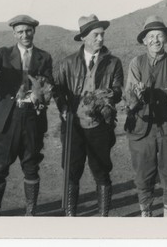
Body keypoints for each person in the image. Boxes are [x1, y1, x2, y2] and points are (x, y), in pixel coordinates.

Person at [0, 15, 53, 216]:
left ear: (34, 31)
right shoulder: (4, 54)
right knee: (0, 166)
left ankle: (30, 212)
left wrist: (42, 94)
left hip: (32, 118)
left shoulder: (44, 57)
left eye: (28, 31)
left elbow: (49, 85)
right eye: (20, 32)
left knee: (31, 165)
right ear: (14, 34)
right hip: (7, 119)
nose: (25, 35)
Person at [54, 14, 123, 217]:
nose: (101, 39)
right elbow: (58, 90)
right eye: (96, 35)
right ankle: (70, 216)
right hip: (73, 126)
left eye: (102, 34)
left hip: (100, 126)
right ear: (83, 37)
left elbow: (118, 90)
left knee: (101, 171)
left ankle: (103, 217)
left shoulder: (114, 63)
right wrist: (64, 108)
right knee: (72, 172)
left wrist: (106, 96)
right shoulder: (66, 63)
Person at [124, 15, 167, 217]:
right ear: (144, 40)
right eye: (150, 36)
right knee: (143, 174)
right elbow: (130, 95)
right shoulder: (136, 63)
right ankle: (147, 215)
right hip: (142, 126)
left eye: (159, 35)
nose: (155, 40)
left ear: (166, 39)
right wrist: (137, 95)